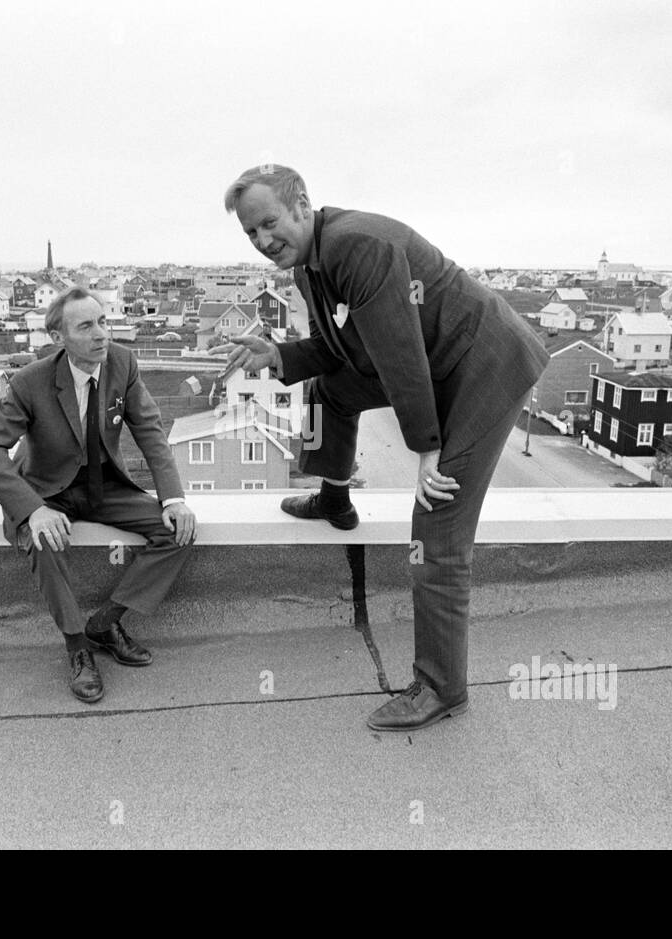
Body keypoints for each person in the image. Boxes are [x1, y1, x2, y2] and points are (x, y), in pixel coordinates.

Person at [213, 165, 550, 732]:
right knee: (329, 392)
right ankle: (333, 497)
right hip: (436, 363)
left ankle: (442, 688)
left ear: (301, 205)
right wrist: (278, 355)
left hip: (482, 365)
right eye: (251, 233)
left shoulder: (355, 246)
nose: (263, 240)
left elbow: (400, 356)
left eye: (269, 223)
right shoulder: (309, 266)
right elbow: (334, 348)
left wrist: (427, 449)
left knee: (437, 523)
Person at [0, 287, 196, 703]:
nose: (102, 334)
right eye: (86, 326)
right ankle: (77, 648)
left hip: (104, 484)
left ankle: (105, 623)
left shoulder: (123, 364)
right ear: (58, 337)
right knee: (44, 540)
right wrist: (32, 510)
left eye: (104, 322)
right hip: (48, 490)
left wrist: (173, 499)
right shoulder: (30, 382)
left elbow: (149, 430)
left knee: (179, 532)